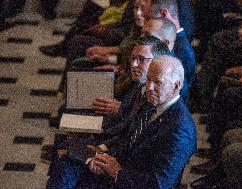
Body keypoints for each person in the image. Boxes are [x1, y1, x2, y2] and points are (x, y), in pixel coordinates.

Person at [47, 55, 196, 189]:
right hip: (120, 169)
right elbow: (130, 143)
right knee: (66, 154)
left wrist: (117, 172)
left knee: (67, 167)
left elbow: (159, 183)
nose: (149, 87)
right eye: (148, 79)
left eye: (157, 82)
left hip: (129, 181)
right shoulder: (154, 104)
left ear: (176, 86)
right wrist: (102, 157)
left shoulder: (181, 129)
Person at [142, 0, 196, 100]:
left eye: (148, 18)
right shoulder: (164, 42)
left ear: (164, 14)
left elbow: (174, 96)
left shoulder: (182, 52)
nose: (144, 24)